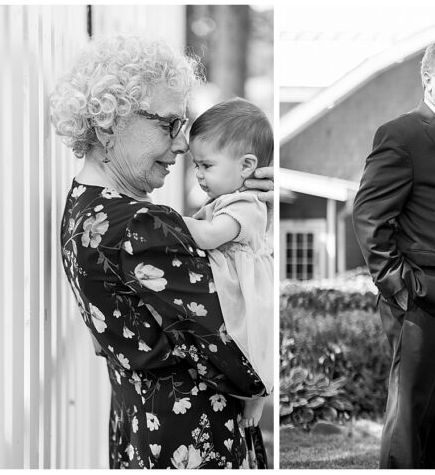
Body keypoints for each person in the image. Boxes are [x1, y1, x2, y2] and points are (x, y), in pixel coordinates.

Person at [51, 35, 273, 468]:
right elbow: (229, 345)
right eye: (168, 124)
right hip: (188, 439)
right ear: (107, 123)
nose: (182, 144)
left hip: (144, 428)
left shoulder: (85, 206)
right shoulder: (141, 225)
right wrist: (258, 387)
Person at [352, 35, 435, 469]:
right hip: (419, 299)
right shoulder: (404, 133)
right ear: (428, 78)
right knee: (409, 415)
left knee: (434, 414)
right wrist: (399, 286)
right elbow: (370, 215)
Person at [180, 98, 275, 431]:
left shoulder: (246, 204)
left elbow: (207, 236)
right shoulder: (225, 199)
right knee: (236, 343)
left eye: (206, 165)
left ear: (247, 165)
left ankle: (258, 394)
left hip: (246, 290)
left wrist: (165, 218)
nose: (199, 174)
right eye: (196, 165)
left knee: (251, 343)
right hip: (232, 284)